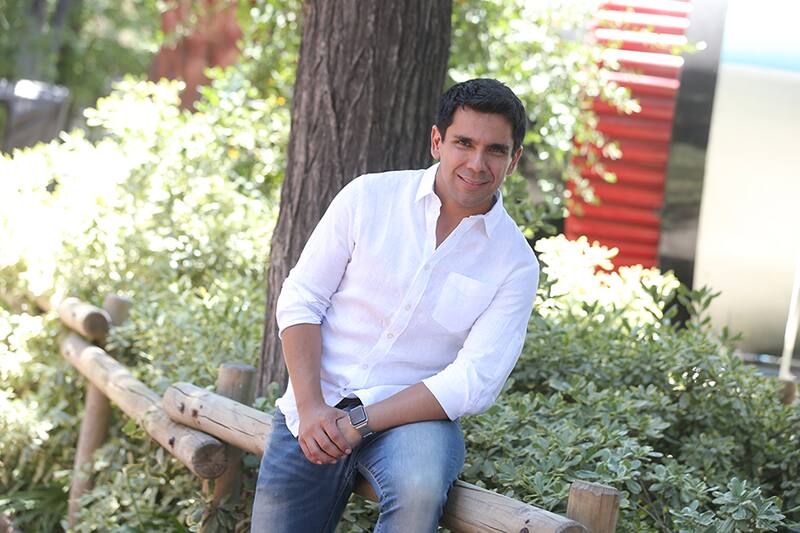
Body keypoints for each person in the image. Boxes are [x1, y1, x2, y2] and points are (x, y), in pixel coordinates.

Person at [251, 78, 540, 533]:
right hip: (314, 404)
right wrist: (310, 407)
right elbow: (303, 298)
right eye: (464, 143)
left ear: (514, 159)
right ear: (437, 141)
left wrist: (359, 423)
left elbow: (475, 379)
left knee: (419, 488)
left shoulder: (515, 263)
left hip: (414, 421)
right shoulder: (367, 197)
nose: (477, 163)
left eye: (495, 150)